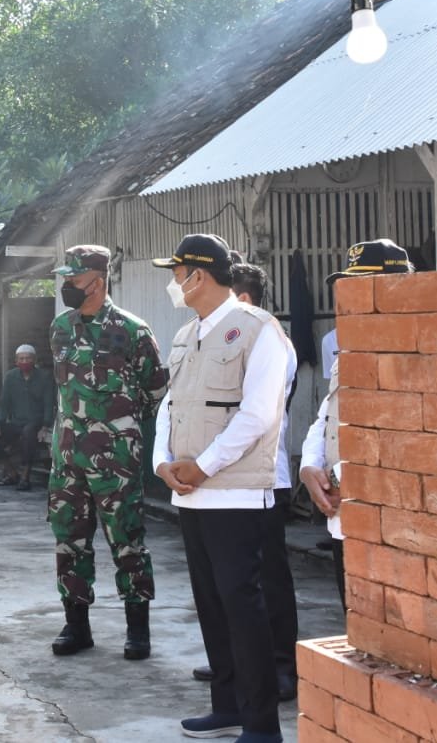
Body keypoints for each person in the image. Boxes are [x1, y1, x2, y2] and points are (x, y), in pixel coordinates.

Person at [152, 234, 287, 743]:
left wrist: (203, 467)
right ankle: (226, 706)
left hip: (235, 494)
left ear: (198, 275)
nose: (173, 283)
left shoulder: (259, 330)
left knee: (242, 606)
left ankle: (262, 725)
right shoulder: (187, 333)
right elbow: (169, 406)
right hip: (191, 493)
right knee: (211, 604)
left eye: (177, 273)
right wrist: (162, 462)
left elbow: (258, 415)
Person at [48, 244, 168, 661]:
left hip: (115, 458)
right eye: (65, 278)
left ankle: (138, 629)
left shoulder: (131, 330)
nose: (67, 285)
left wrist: (120, 427)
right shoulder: (60, 328)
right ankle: (76, 625)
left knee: (127, 540)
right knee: (69, 541)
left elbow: (155, 390)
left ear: (98, 281)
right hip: (68, 457)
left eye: (75, 278)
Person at [189, 262, 299, 702]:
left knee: (266, 579)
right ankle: (236, 663)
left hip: (262, 478)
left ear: (244, 300)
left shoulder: (271, 342)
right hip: (218, 481)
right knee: (225, 584)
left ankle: (281, 665)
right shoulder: (205, 338)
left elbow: (256, 415)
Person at [300, 239, 414, 612]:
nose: (348, 300)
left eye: (361, 287)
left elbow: (400, 439)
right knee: (354, 618)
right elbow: (325, 417)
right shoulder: (347, 352)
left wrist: (339, 480)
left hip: (386, 519)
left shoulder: (412, 354)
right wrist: (309, 468)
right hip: (342, 516)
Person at [0, 343, 53, 491]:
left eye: (28, 358)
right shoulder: (11, 377)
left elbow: (49, 403)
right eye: (21, 359)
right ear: (16, 361)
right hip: (17, 422)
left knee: (28, 433)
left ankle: (25, 476)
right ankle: (12, 473)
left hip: (36, 422)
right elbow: (4, 403)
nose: (24, 361)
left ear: (34, 360)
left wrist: (45, 426)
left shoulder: (44, 377)